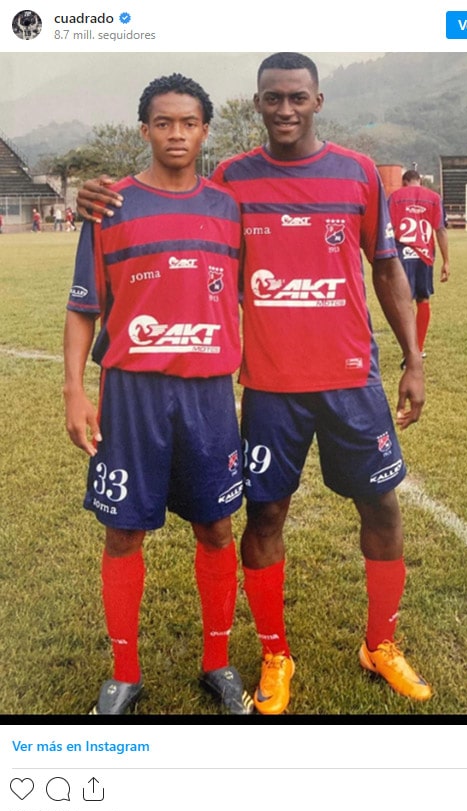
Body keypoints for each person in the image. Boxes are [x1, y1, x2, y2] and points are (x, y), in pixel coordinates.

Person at [77, 52, 431, 714]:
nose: (286, 109)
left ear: (318, 101)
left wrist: (413, 357)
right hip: (268, 385)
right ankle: (273, 653)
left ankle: (380, 643)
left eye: (298, 97)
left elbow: (387, 268)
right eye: (273, 98)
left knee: (382, 508)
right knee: (265, 515)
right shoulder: (233, 181)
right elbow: (170, 195)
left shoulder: (357, 173)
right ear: (259, 103)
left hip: (352, 379)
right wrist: (93, 196)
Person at [64, 72, 252, 716]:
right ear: (144, 129)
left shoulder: (228, 207)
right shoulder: (109, 205)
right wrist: (74, 390)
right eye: (164, 122)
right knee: (122, 533)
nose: (177, 133)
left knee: (217, 526)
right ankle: (123, 673)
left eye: (189, 122)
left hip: (207, 396)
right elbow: (83, 308)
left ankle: (218, 662)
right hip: (130, 397)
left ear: (205, 130)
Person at [388, 169, 449, 361]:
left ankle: (408, 350)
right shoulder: (434, 197)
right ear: (419, 180)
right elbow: (440, 230)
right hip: (425, 254)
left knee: (403, 303)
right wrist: (446, 261)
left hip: (400, 255)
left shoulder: (395, 197)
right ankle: (418, 349)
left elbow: (388, 228)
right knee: (423, 299)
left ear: (404, 182)